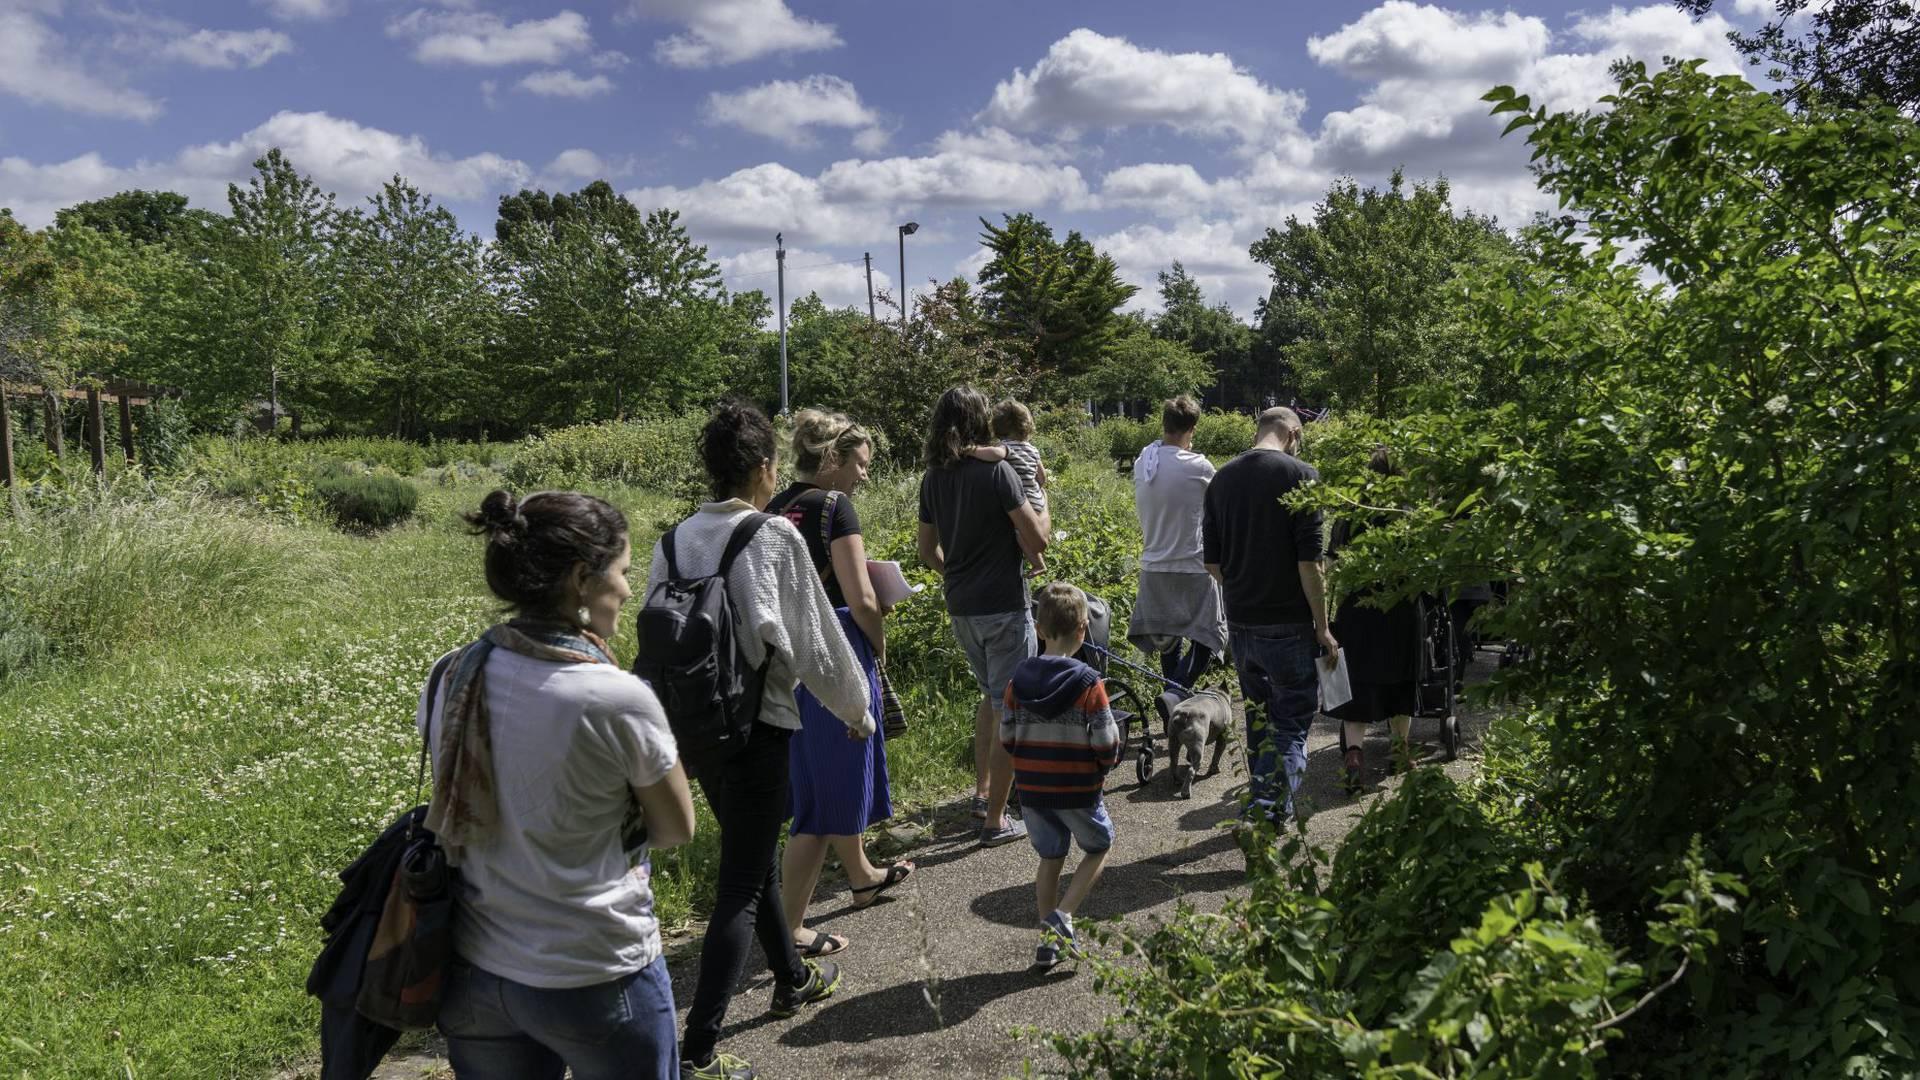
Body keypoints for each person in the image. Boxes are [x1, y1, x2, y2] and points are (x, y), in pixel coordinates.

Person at [427, 490, 698, 1080]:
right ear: (582, 578)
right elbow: (677, 828)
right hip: (594, 971)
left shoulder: (454, 672)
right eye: (623, 572)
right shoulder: (613, 697)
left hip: (478, 970)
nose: (629, 590)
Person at [649, 402, 874, 1080]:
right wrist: (857, 709)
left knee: (753, 853)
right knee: (741, 881)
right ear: (765, 469)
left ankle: (792, 978)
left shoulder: (673, 539)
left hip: (698, 726)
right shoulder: (772, 535)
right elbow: (814, 641)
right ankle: (699, 1053)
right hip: (760, 725)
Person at [767, 409, 915, 958]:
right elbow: (863, 599)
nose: (864, 475)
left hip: (784, 661)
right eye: (860, 463)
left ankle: (861, 876)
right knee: (821, 801)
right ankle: (791, 930)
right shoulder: (835, 507)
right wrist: (877, 642)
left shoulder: (773, 507)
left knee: (819, 776)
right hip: (834, 654)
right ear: (833, 460)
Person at [918, 386, 1050, 847]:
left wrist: (954, 572)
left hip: (962, 607)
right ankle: (996, 820)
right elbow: (1037, 542)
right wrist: (1043, 498)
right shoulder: (998, 472)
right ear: (981, 421)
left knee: (990, 698)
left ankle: (982, 793)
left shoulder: (934, 476)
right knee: (1010, 707)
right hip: (1004, 605)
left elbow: (925, 549)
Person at [1202, 407, 1337, 822]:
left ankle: (1261, 807)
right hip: (1291, 624)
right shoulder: (1302, 475)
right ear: (1293, 433)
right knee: (1291, 725)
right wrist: (1323, 626)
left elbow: (1212, 563)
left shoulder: (1222, 478)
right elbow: (1310, 562)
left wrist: (1243, 590)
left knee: (1259, 722)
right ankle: (1266, 813)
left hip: (1242, 623)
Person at [1001, 582, 1121, 972]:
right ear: (1084, 629)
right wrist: (1104, 766)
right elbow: (1105, 740)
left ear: (1038, 628)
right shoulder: (1089, 683)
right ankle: (1063, 915)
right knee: (1099, 845)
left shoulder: (1017, 682)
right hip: (1077, 788)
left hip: (1034, 791)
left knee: (1050, 857)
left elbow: (1007, 737)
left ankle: (1047, 941)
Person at [1326, 447, 1421, 793]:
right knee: (1400, 680)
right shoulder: (1408, 511)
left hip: (1357, 609)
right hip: (1400, 608)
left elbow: (1332, 565)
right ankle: (1400, 751)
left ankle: (1353, 755)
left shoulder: (1351, 510)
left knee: (1358, 687)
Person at [1125, 395, 1226, 695]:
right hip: (1192, 565)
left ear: (1164, 424)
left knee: (1170, 641)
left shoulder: (1145, 460)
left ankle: (1172, 706)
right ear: (1192, 428)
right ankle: (1175, 693)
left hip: (1153, 565)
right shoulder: (1199, 467)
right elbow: (1221, 505)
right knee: (1208, 636)